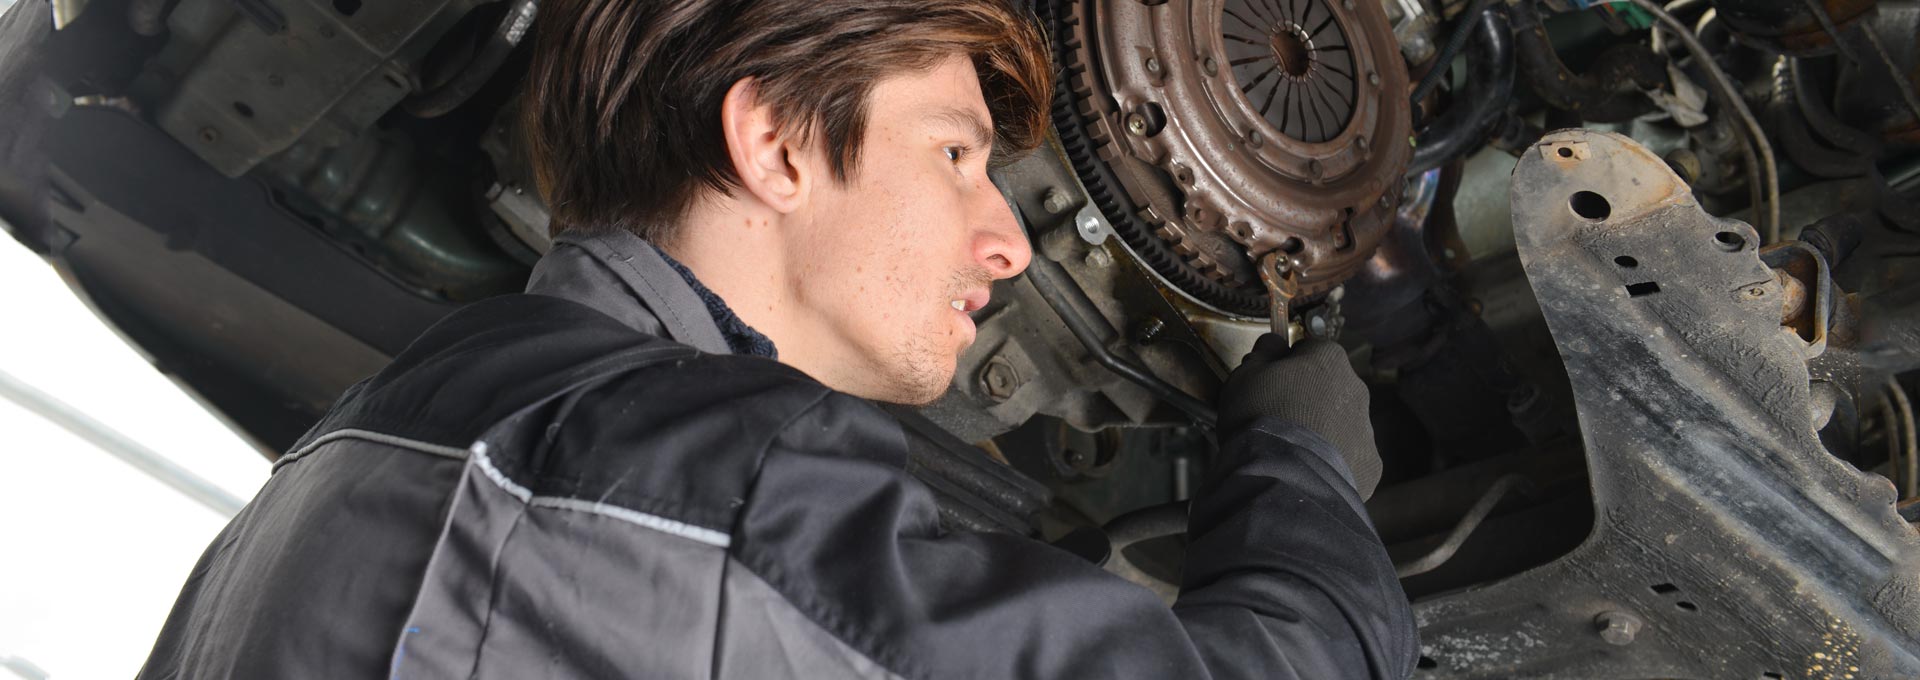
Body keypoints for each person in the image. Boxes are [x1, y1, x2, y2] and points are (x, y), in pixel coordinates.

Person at [138, 0, 1417, 677]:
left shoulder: (346, 453)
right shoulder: (698, 479)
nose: (1009, 239)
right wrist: (1303, 467)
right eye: (959, 155)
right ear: (780, 143)